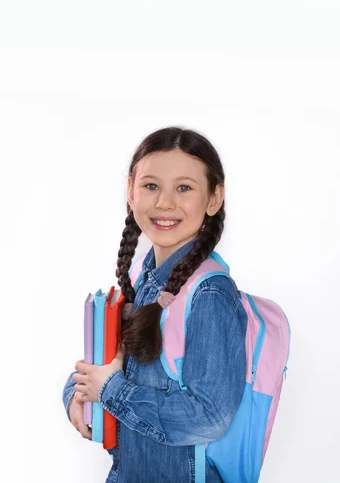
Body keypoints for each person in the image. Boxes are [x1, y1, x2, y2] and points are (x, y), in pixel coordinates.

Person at [62, 126, 248, 483]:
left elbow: (210, 417)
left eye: (184, 187)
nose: (165, 203)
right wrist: (76, 394)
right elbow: (105, 370)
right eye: (150, 186)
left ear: (214, 198)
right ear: (130, 190)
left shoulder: (210, 296)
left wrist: (110, 390)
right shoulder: (142, 279)